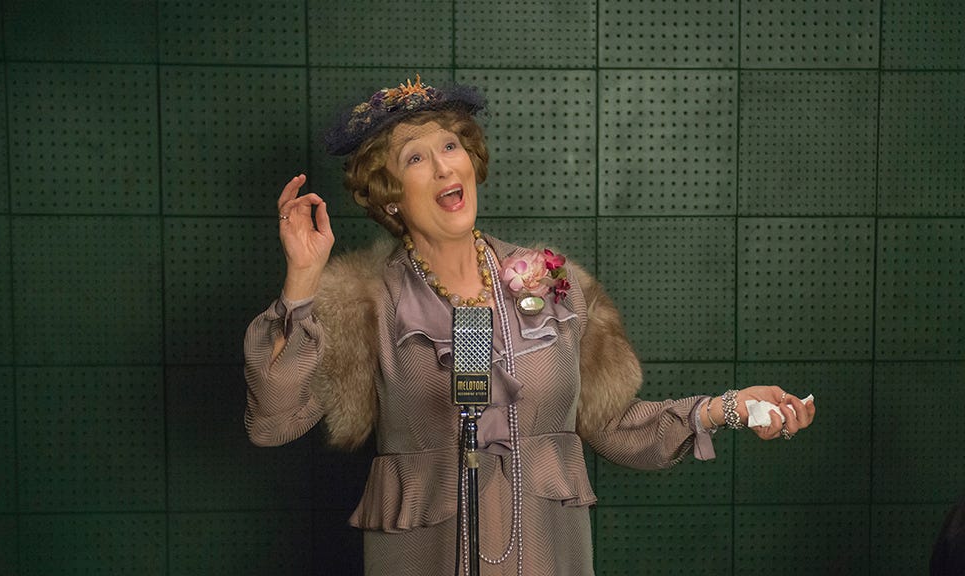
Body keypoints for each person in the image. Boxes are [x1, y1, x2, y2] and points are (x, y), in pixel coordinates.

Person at [243, 76, 816, 576]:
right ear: (389, 198)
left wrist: (726, 408)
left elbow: (611, 423)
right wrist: (303, 280)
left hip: (546, 557)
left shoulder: (552, 280)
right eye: (415, 158)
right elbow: (273, 421)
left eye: (451, 145)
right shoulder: (361, 301)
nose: (444, 165)